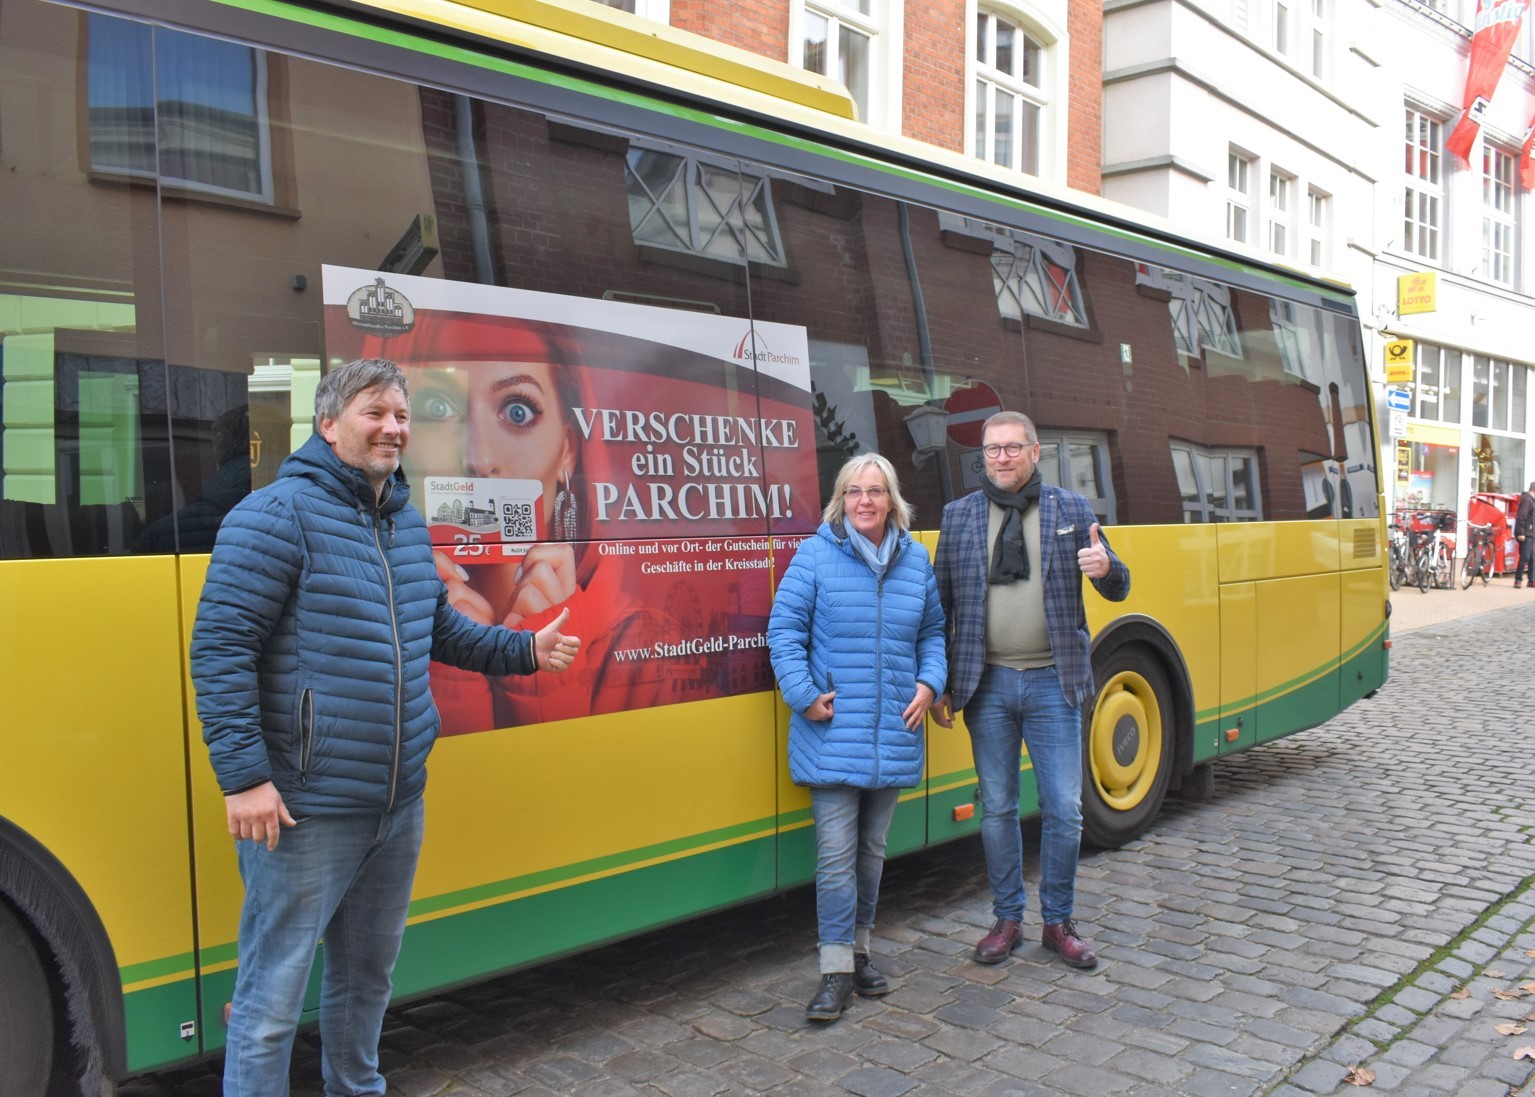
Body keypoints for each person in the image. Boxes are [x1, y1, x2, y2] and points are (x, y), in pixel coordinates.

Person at [190, 358, 581, 1096]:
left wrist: (525, 650)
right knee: (271, 1002)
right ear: (328, 423)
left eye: (401, 415)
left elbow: (439, 629)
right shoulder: (274, 516)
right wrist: (244, 779)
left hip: (397, 802)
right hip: (307, 806)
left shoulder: (402, 520)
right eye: (374, 412)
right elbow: (220, 649)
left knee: (366, 981)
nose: (393, 428)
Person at [387, 314, 674, 729]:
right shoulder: (373, 621)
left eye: (518, 412)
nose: (478, 460)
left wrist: (547, 685)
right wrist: (450, 673)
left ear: (568, 450)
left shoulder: (651, 646)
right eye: (438, 408)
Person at [932, 411, 1129, 969]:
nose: (1002, 458)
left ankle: (1059, 922)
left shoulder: (1072, 509)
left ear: (1035, 452)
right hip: (986, 683)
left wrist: (1106, 568)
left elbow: (1119, 585)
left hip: (1052, 680)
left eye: (1013, 448)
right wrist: (942, 682)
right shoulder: (959, 516)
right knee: (997, 807)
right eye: (992, 449)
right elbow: (940, 605)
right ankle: (1007, 919)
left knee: (1064, 808)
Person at [767, 453, 946, 1022]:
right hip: (832, 733)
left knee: (871, 854)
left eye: (874, 491)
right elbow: (783, 631)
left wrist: (930, 683)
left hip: (893, 729)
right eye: (853, 491)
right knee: (836, 857)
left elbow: (933, 632)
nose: (864, 501)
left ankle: (860, 953)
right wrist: (803, 695)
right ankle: (835, 971)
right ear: (840, 500)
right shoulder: (815, 555)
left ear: (892, 501)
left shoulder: (915, 560)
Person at [1515, 482, 1535, 589]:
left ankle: (1532, 580)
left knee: (1532, 557)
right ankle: (1518, 580)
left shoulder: (1531, 500)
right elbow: (1521, 517)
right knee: (1525, 557)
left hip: (1530, 532)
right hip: (1526, 533)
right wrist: (1521, 533)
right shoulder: (1528, 500)